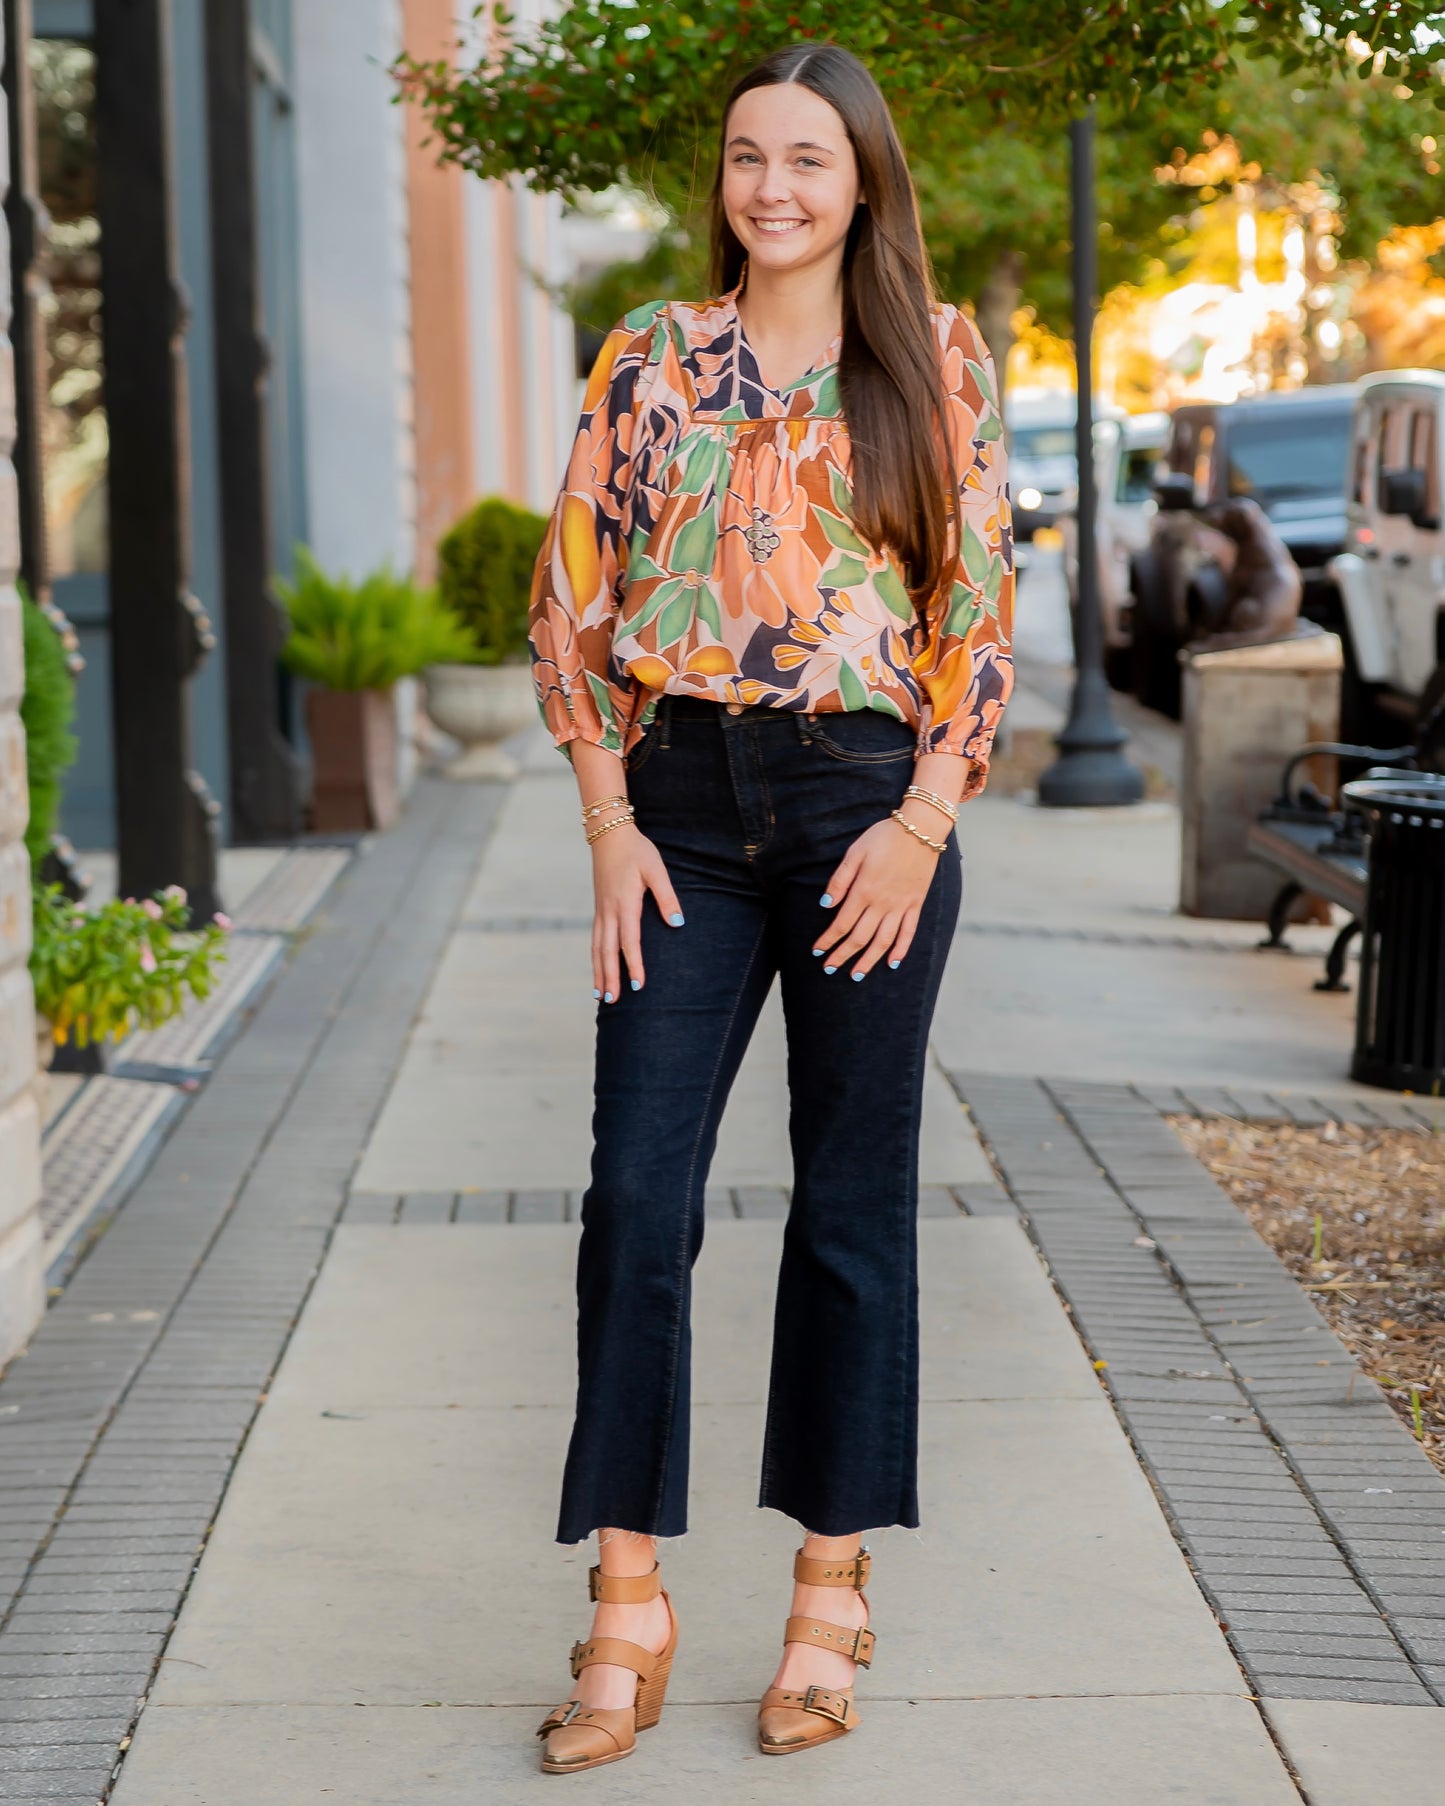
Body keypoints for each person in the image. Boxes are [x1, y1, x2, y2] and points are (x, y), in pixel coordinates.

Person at [527, 40, 1013, 1775]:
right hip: (676, 813)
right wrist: (606, 820)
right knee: (634, 1196)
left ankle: (826, 1590)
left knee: (849, 1203)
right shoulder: (651, 353)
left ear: (862, 178)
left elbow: (977, 610)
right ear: (720, 177)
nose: (773, 187)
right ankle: (628, 1599)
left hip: (865, 807)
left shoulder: (931, 359)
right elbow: (572, 596)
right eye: (748, 155)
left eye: (807, 157)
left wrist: (921, 822)